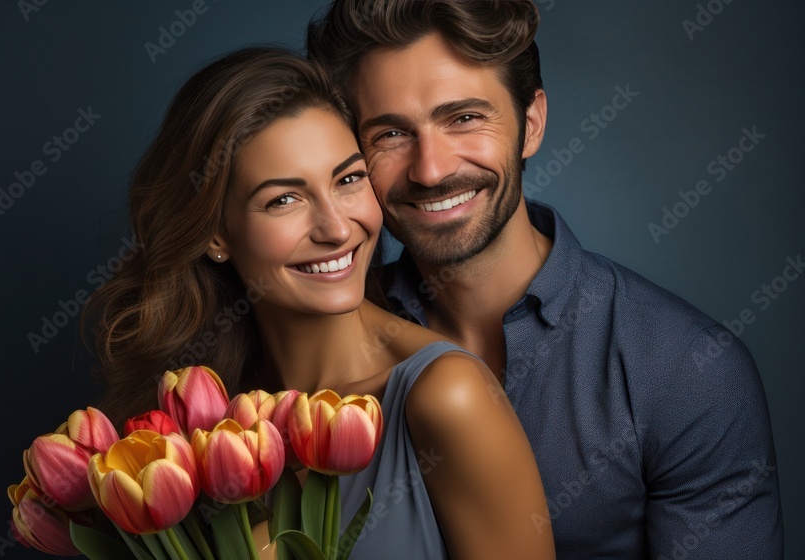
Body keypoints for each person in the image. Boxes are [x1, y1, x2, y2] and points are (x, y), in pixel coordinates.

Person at [306, 1, 784, 558]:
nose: (430, 169)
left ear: (530, 125)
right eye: (390, 134)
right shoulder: (314, 335)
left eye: (463, 118)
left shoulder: (687, 371)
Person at [83, 47, 556, 558]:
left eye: (348, 179)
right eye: (284, 199)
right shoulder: (194, 418)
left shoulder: (447, 396)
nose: (336, 229)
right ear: (215, 234)